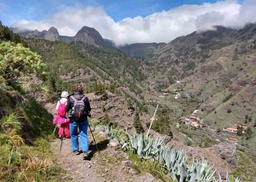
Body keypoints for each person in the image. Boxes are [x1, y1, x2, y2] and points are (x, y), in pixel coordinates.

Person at [66, 84, 91, 160]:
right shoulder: (85, 98)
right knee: (83, 134)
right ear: (81, 90)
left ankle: (75, 149)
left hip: (73, 120)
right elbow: (88, 108)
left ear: (74, 90)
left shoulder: (71, 98)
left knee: (74, 134)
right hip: (83, 119)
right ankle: (85, 151)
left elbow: (67, 109)